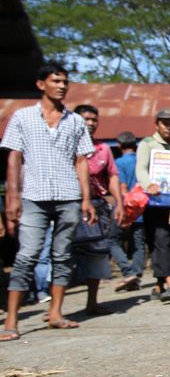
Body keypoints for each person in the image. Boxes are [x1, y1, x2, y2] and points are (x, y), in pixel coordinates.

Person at [0, 62, 96, 342]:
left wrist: (87, 198)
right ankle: (12, 320)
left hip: (68, 195)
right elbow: (14, 158)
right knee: (26, 256)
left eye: (65, 81)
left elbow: (81, 161)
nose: (62, 86)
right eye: (56, 81)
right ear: (41, 84)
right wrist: (12, 198)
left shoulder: (76, 121)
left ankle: (56, 313)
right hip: (33, 196)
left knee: (63, 256)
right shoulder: (22, 117)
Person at [136, 108, 170, 303]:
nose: (169, 127)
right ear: (157, 124)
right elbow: (141, 169)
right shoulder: (147, 145)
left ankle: (160, 285)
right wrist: (148, 184)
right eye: (165, 123)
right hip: (156, 203)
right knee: (161, 241)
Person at [73, 104, 124, 315]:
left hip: (97, 205)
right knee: (62, 254)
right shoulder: (64, 146)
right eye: (86, 119)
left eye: (94, 119)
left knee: (97, 253)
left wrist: (119, 202)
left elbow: (112, 176)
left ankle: (91, 302)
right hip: (68, 204)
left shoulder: (103, 149)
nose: (91, 123)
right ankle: (54, 308)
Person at [110, 131, 146, 292]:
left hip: (127, 207)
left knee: (113, 240)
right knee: (139, 244)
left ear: (119, 145)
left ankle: (128, 271)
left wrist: (122, 208)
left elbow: (123, 187)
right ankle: (136, 275)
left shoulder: (119, 163)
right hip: (143, 207)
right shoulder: (142, 160)